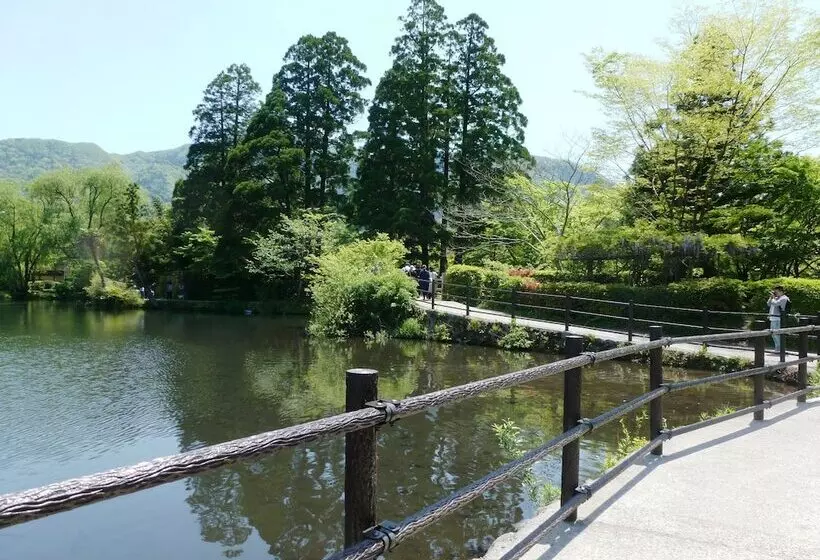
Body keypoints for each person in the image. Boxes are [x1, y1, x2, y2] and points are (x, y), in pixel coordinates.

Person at [767, 285, 790, 352]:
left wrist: (773, 298)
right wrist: (771, 297)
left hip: (778, 319)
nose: (775, 293)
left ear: (781, 291)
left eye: (776, 292)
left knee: (777, 334)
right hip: (773, 318)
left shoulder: (784, 298)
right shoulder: (776, 298)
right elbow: (768, 304)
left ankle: (780, 348)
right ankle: (778, 347)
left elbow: (776, 304)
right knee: (773, 334)